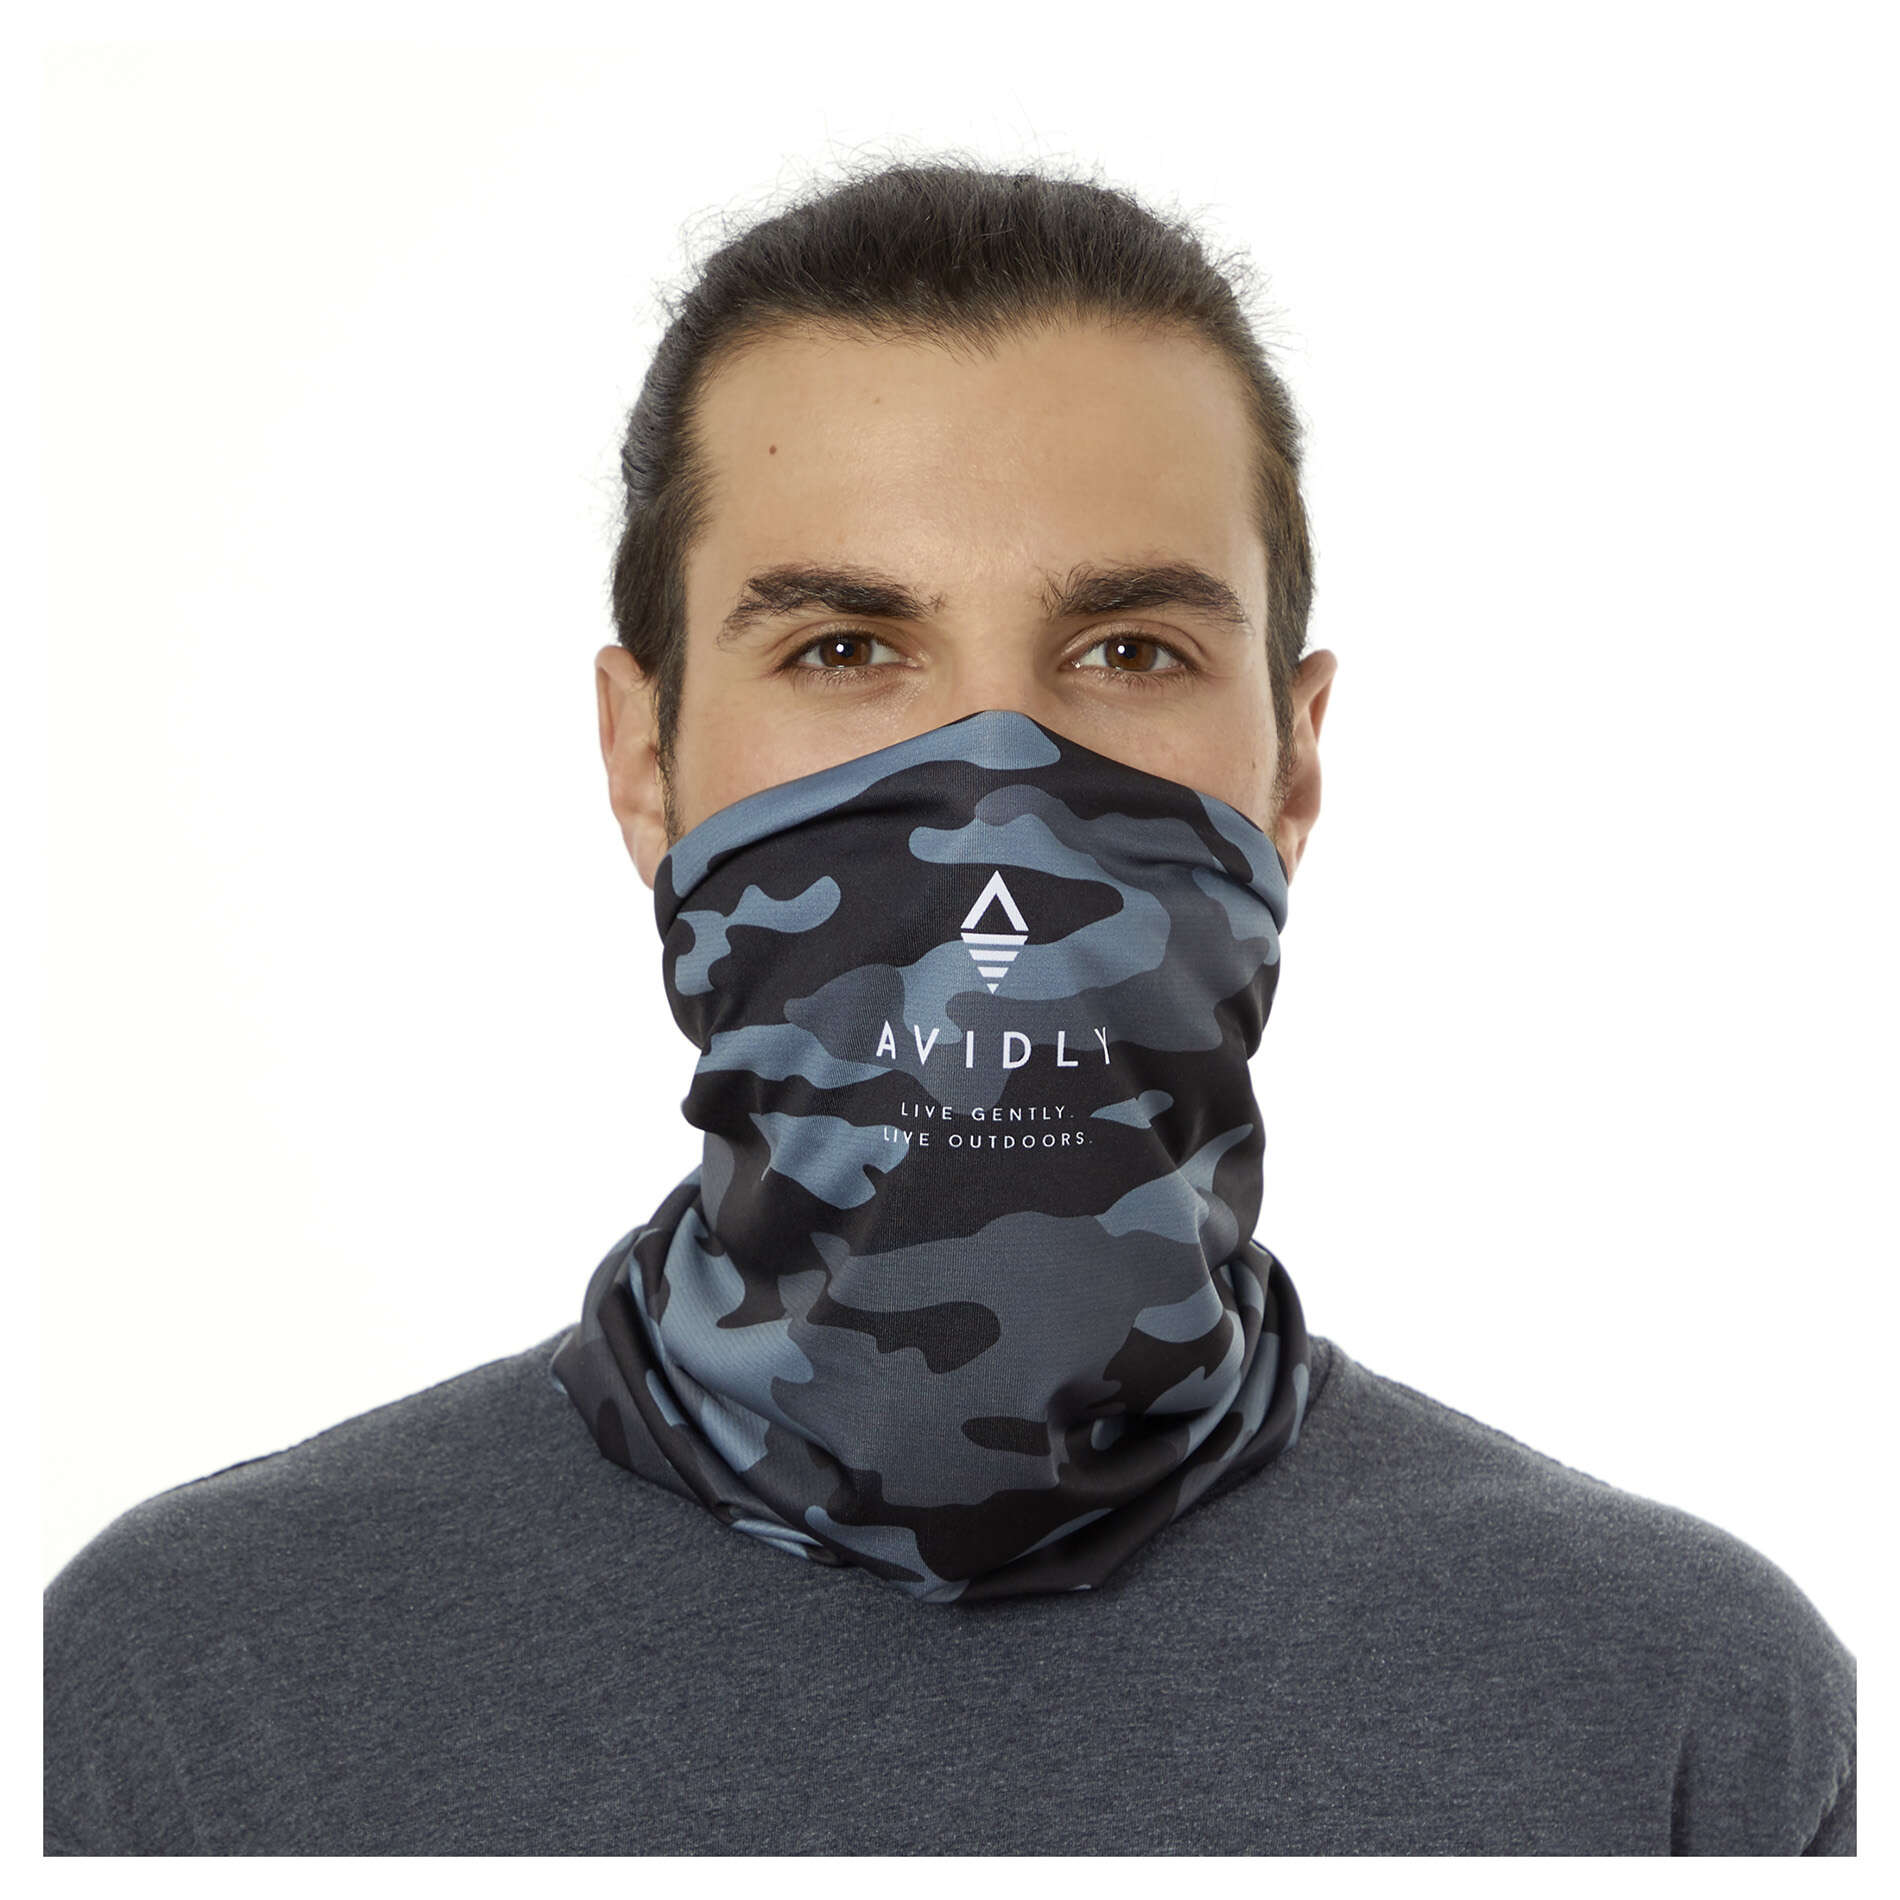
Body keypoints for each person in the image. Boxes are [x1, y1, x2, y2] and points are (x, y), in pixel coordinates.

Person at [43, 157, 1854, 1857]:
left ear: (1293, 766)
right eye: (845, 651)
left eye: (1129, 652)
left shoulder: (1676, 1711)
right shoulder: (184, 1691)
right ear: (647, 761)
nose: (997, 800)